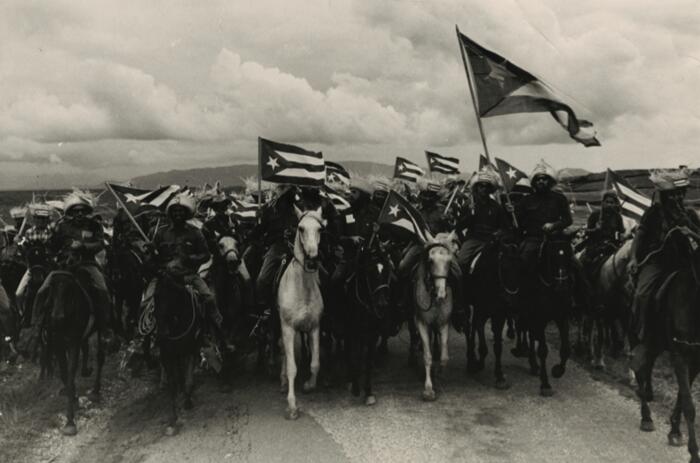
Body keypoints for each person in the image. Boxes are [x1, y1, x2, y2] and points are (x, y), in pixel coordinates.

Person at [630, 168, 700, 350]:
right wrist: (632, 259)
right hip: (657, 262)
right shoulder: (654, 213)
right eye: (672, 195)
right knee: (641, 294)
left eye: (679, 194)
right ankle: (641, 334)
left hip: (685, 262)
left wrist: (690, 231)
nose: (676, 198)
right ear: (665, 195)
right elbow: (639, 236)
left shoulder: (690, 215)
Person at [151, 193, 229, 344]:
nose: (178, 214)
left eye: (181, 211)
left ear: (186, 213)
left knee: (209, 298)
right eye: (175, 211)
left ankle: (219, 338)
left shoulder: (195, 232)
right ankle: (146, 337)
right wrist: (152, 254)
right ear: (170, 213)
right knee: (147, 301)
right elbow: (153, 257)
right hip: (165, 277)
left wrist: (190, 259)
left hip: (189, 276)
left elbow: (206, 255)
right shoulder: (161, 233)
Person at [36, 191, 112, 332]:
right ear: (71, 212)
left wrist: (83, 246)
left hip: (87, 264)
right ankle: (37, 327)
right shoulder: (62, 225)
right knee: (42, 290)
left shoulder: (94, 225)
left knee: (103, 290)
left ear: (87, 211)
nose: (80, 214)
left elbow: (100, 243)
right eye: (76, 211)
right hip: (64, 265)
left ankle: (105, 328)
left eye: (83, 211)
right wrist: (50, 240)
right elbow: (53, 247)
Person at [515, 160, 573, 276]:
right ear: (534, 182)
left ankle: (585, 292)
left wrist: (554, 225)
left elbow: (568, 220)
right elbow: (518, 221)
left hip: (556, 239)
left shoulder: (559, 198)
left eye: (544, 179)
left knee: (574, 265)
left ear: (550, 181)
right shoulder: (526, 200)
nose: (541, 181)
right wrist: (511, 211)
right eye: (538, 179)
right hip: (533, 239)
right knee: (522, 262)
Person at [456, 168, 512, 272]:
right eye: (481, 186)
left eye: (487, 186)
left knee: (509, 261)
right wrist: (469, 214)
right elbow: (459, 227)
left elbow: (505, 226)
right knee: (461, 261)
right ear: (476, 188)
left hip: (492, 241)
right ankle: (462, 286)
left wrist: (499, 233)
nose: (484, 189)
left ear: (491, 189)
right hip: (474, 239)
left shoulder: (496, 206)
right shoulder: (469, 204)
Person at [15, 203, 53, 320]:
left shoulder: (51, 232)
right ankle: (22, 314)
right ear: (34, 219)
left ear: (47, 220)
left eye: (43, 218)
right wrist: (18, 243)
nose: (41, 221)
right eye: (38, 218)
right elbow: (24, 248)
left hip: (49, 266)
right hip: (33, 267)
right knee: (19, 294)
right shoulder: (29, 232)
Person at [579, 191, 626, 279]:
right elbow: (587, 231)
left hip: (611, 245)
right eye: (607, 202)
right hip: (595, 244)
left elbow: (621, 231)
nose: (609, 204)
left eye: (611, 202)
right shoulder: (595, 215)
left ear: (615, 204)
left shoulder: (617, 217)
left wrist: (622, 236)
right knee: (586, 263)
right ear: (603, 203)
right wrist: (596, 229)